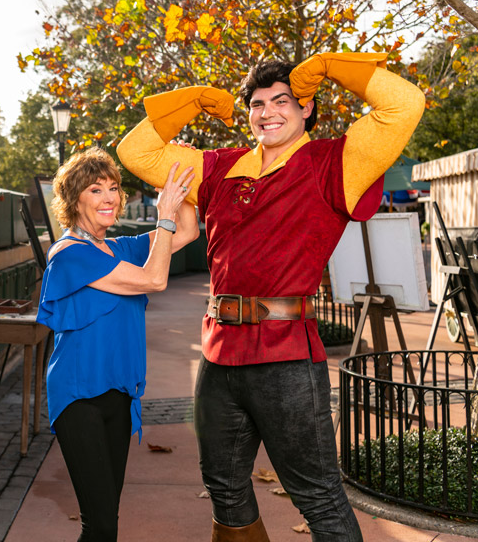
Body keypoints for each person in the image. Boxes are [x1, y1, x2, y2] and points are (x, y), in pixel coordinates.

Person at [116, 53, 425, 541]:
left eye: (282, 101)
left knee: (320, 498)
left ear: (307, 110)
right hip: (217, 357)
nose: (267, 112)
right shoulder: (219, 168)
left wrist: (328, 65)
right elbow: (136, 153)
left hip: (286, 358)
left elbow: (405, 104)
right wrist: (193, 101)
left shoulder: (333, 162)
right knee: (224, 488)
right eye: (257, 104)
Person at [37, 146, 199, 541]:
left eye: (113, 188)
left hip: (119, 395)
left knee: (107, 517)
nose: (109, 198)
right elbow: (154, 280)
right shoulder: (71, 255)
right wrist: (163, 216)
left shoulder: (120, 248)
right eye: (95, 190)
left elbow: (190, 231)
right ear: (74, 199)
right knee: (101, 523)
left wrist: (184, 172)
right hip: (79, 398)